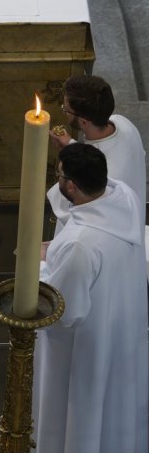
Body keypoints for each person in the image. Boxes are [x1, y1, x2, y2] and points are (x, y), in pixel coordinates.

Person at [33, 143, 148, 453]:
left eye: (59, 175)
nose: (57, 181)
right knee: (115, 411)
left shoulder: (80, 245)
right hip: (123, 335)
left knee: (80, 416)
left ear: (71, 184)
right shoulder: (126, 198)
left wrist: (41, 266)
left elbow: (61, 309)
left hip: (85, 350)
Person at [50, 74, 146, 216]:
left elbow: (82, 214)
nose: (64, 111)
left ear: (83, 122)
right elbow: (97, 154)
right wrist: (70, 144)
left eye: (66, 109)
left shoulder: (102, 176)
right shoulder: (123, 122)